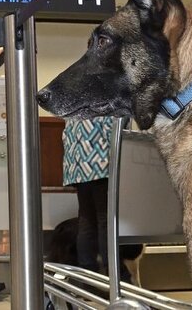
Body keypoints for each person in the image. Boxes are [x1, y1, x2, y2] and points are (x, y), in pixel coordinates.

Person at [62, 116, 117, 276]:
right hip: (100, 164)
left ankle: (87, 277)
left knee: (87, 221)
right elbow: (112, 129)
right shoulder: (101, 96)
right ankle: (114, 276)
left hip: (79, 167)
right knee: (105, 221)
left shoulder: (75, 99)